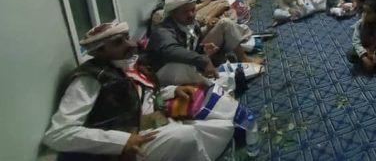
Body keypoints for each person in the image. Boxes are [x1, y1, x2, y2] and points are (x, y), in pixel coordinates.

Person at [44, 22, 236, 161]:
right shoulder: (89, 79)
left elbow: (142, 94)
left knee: (223, 128)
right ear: (98, 52)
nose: (130, 44)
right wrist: (122, 141)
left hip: (156, 121)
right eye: (119, 42)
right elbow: (58, 134)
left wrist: (173, 91)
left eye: (127, 37)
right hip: (130, 141)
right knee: (187, 136)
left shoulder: (128, 64)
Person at [147, 0, 258, 86]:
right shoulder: (163, 30)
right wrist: (203, 60)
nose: (191, 14)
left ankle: (242, 58)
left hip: (190, 60)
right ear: (174, 14)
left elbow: (192, 44)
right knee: (209, 81)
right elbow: (171, 50)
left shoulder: (191, 22)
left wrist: (203, 49)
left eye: (192, 10)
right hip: (168, 68)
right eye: (185, 12)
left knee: (226, 23)